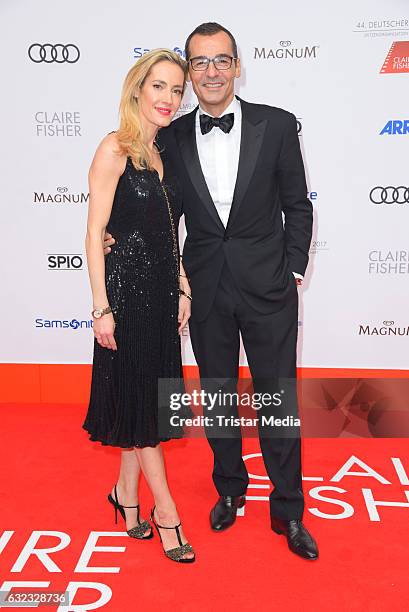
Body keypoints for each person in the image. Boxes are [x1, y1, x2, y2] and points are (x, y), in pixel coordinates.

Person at [105, 22, 318, 560]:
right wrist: (113, 235)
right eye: (199, 63)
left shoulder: (277, 125)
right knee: (220, 396)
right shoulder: (170, 136)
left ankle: (289, 509)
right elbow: (142, 194)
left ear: (238, 65)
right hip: (203, 288)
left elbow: (298, 205)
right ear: (189, 73)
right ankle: (230, 489)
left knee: (276, 398)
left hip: (269, 287)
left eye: (221, 60)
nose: (211, 72)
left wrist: (292, 270)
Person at [82, 49, 195, 563]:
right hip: (125, 300)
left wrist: (183, 285)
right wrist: (101, 307)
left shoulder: (160, 151)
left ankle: (126, 497)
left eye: (176, 89)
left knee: (139, 404)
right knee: (146, 409)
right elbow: (93, 233)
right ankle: (166, 511)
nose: (169, 98)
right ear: (137, 90)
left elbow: (167, 231)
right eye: (159, 87)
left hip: (159, 300)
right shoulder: (116, 147)